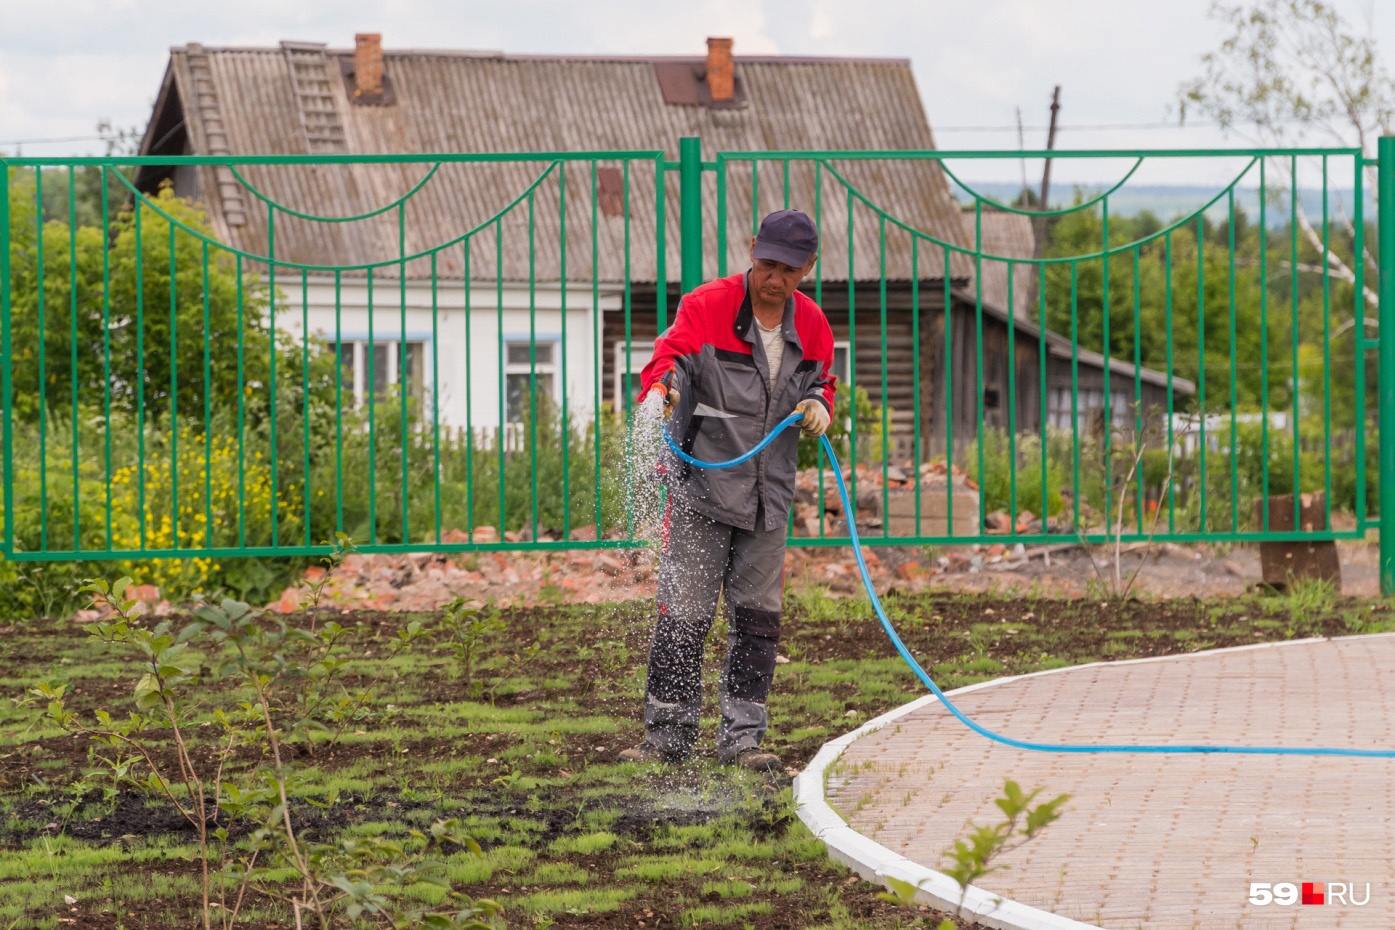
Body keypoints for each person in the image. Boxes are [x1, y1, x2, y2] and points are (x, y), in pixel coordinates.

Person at [619, 209, 836, 771]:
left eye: (788, 269)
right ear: (751, 253)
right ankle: (668, 733)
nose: (773, 277)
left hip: (769, 498)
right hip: (703, 487)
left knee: (759, 618)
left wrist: (820, 406)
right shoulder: (707, 306)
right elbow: (668, 358)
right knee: (685, 614)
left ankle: (743, 740)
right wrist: (662, 390)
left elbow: (821, 380)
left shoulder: (812, 325)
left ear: (807, 269)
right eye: (766, 263)